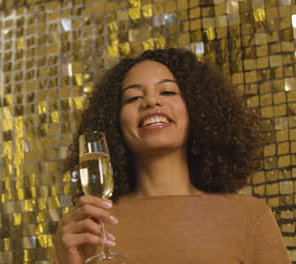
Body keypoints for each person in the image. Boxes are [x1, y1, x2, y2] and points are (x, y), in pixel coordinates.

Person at [53, 48, 291, 263]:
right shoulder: (87, 228)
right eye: (134, 97)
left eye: (167, 91)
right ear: (115, 123)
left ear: (198, 110)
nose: (151, 101)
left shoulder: (250, 216)